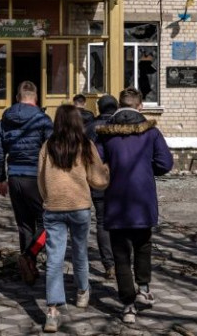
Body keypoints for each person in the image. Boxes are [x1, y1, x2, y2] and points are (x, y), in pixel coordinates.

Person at [96, 87, 174, 325]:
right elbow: (165, 163)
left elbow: (97, 164)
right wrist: (147, 170)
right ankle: (144, 287)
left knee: (120, 253)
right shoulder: (151, 132)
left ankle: (128, 305)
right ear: (140, 106)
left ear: (120, 105)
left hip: (116, 199)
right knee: (143, 245)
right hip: (142, 199)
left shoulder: (106, 133)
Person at [37, 104, 109, 333]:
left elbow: (40, 178)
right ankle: (82, 293)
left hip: (54, 207)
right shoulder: (85, 145)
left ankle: (52, 312)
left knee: (54, 258)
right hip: (80, 206)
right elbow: (98, 180)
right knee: (80, 252)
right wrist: (106, 170)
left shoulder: (48, 146)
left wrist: (48, 198)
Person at [0, 81, 53, 286]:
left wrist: (1, 178)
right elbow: (52, 151)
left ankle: (29, 269)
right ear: (35, 98)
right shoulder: (43, 120)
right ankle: (29, 256)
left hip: (15, 177)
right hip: (36, 178)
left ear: (18, 98)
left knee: (24, 224)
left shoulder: (5, 120)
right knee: (49, 222)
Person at [84, 94, 118, 279]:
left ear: (99, 108)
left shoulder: (89, 128)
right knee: (121, 221)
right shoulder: (122, 126)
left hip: (97, 180)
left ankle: (109, 265)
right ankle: (122, 263)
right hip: (120, 180)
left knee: (102, 221)